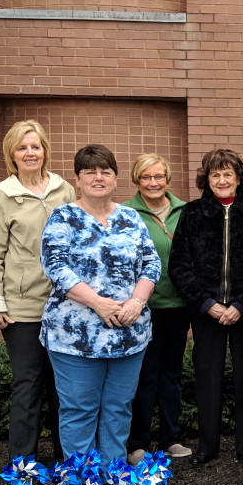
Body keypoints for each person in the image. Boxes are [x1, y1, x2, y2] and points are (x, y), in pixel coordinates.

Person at [39, 144, 161, 464]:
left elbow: (151, 264)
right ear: (77, 179)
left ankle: (113, 477)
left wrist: (137, 301)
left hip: (128, 333)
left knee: (118, 409)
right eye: (89, 171)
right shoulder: (63, 217)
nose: (98, 177)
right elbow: (56, 268)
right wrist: (98, 304)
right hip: (75, 337)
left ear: (115, 178)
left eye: (105, 171)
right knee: (80, 410)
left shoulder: (131, 217)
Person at [0, 119, 75, 462]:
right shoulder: (2, 195)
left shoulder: (64, 190)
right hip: (23, 308)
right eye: (22, 147)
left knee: (64, 386)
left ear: (45, 151)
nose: (30, 153)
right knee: (28, 384)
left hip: (66, 305)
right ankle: (23, 464)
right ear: (12, 155)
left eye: (35, 146)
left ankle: (71, 462)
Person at [169, 148, 243, 464]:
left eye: (228, 174)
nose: (222, 180)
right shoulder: (192, 214)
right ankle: (207, 448)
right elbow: (180, 265)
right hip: (207, 312)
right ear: (206, 179)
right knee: (207, 378)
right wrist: (206, 303)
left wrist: (242, 303)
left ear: (239, 178)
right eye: (215, 174)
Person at [123, 154, 192, 465]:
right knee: (144, 376)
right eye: (146, 177)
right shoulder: (126, 212)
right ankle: (138, 443)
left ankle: (170, 439)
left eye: (158, 176)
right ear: (137, 180)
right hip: (143, 307)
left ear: (168, 179)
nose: (153, 183)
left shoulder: (184, 211)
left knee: (171, 375)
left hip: (178, 306)